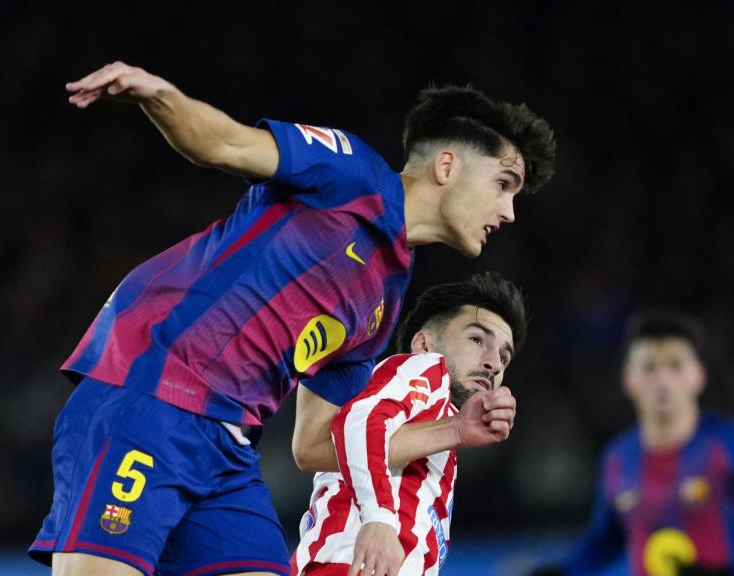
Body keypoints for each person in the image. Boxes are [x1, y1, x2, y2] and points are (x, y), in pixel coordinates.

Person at [30, 61, 555, 576]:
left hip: (228, 452)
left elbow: (316, 445)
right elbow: (225, 144)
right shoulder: (353, 172)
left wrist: (453, 430)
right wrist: (158, 94)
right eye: (503, 183)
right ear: (447, 166)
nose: (508, 212)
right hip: (151, 394)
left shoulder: (385, 297)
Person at [538, 310, 734, 576]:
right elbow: (607, 541)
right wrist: (562, 572)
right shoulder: (616, 458)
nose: (662, 379)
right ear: (628, 379)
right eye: (649, 367)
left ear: (698, 376)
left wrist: (731, 573)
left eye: (675, 364)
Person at [292, 272, 526, 576]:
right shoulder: (426, 368)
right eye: (476, 339)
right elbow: (361, 421)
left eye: (504, 358)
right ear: (424, 344)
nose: (493, 362)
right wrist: (379, 519)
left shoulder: (436, 431)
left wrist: (456, 429)